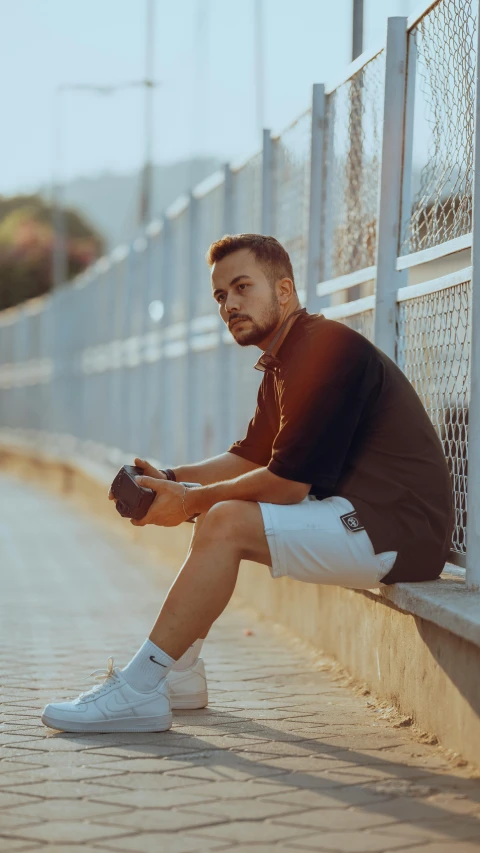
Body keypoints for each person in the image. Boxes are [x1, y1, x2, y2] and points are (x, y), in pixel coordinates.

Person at [41, 234, 453, 733]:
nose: (230, 304)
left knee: (225, 520)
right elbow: (247, 458)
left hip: (394, 531)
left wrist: (191, 501)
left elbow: (286, 486)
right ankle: (181, 675)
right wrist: (169, 479)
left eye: (241, 287)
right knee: (218, 515)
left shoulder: (327, 350)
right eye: (220, 296)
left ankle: (139, 688)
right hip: (363, 520)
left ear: (284, 291)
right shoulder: (284, 361)